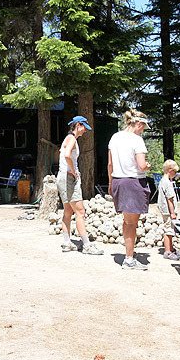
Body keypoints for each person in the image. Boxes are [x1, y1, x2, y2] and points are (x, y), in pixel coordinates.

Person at [107, 109, 151, 270]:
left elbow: (110, 164)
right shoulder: (137, 140)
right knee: (132, 223)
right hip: (133, 183)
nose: (143, 130)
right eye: (143, 127)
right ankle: (129, 259)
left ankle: (129, 253)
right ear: (138, 124)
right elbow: (141, 165)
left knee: (126, 221)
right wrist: (147, 166)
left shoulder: (115, 137)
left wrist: (111, 183)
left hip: (118, 181)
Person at [57, 116, 104, 255]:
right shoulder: (71, 138)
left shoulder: (69, 138)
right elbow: (66, 155)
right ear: (78, 125)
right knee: (80, 212)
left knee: (68, 211)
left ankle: (67, 243)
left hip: (62, 178)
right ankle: (87, 245)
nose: (85, 131)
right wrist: (73, 171)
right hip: (68, 178)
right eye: (84, 128)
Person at [157, 159, 180, 261]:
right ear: (170, 170)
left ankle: (171, 248)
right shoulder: (167, 183)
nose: (175, 174)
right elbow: (169, 199)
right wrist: (172, 213)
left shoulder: (162, 181)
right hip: (168, 211)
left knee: (169, 228)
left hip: (164, 210)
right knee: (169, 230)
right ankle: (168, 251)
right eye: (175, 172)